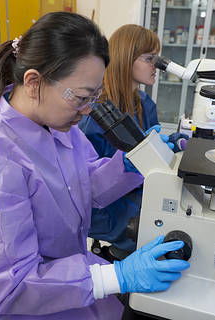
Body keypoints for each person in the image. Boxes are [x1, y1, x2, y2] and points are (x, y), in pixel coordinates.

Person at [0, 12, 190, 320]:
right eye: (80, 97)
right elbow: (10, 285)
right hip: (18, 306)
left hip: (64, 286)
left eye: (94, 96)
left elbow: (83, 184)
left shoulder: (55, 123)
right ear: (33, 82)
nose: (86, 110)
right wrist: (115, 276)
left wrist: (130, 164)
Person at [79, 24, 188, 258]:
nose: (157, 66)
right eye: (150, 58)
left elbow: (149, 145)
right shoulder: (97, 115)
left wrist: (171, 142)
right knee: (161, 233)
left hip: (137, 191)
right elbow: (91, 187)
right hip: (109, 207)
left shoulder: (144, 103)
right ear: (126, 58)